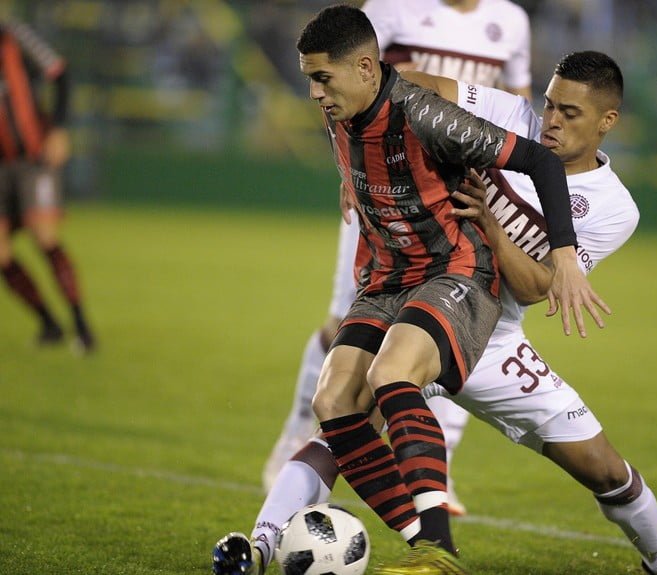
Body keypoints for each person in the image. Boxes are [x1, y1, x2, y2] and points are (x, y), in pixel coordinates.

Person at [213, 51, 657, 575]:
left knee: (604, 468)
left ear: (608, 121)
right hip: (423, 295)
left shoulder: (614, 207)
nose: (551, 121)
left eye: (570, 113)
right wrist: (362, 132)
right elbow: (415, 86)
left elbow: (539, 286)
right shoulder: (509, 115)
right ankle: (264, 544)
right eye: (550, 104)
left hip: (495, 334)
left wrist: (491, 226)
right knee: (341, 417)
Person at [226, 5, 604, 575]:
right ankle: (418, 541)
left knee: (391, 374)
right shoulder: (340, 111)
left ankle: (436, 545)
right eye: (309, 78)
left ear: (364, 69)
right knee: (332, 404)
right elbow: (351, 148)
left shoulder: (427, 115)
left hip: (454, 269)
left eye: (321, 78)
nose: (313, 92)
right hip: (387, 274)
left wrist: (565, 256)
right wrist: (349, 184)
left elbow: (541, 164)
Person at [261, 0, 536, 513]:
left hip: (447, 182)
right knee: (343, 324)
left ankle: (437, 469)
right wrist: (351, 172)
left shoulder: (512, 20)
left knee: (452, 332)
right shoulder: (392, 7)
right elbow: (349, 85)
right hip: (381, 192)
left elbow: (518, 103)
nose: (313, 89)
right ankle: (298, 435)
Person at [0, 20, 96, 353]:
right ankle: (48, 324)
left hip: (33, 158)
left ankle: (82, 326)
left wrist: (58, 128)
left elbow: (60, 73)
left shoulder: (14, 36)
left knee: (45, 237)